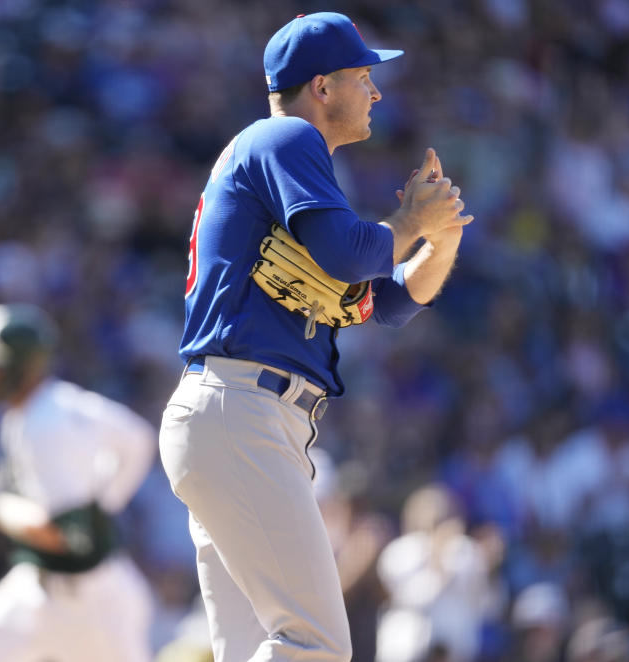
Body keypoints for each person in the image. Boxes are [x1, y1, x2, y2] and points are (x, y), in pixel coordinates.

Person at [159, 12, 473, 662]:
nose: (376, 91)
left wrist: (439, 239)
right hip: (240, 410)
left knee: (256, 646)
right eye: (363, 76)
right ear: (322, 87)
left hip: (237, 417)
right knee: (316, 645)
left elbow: (384, 302)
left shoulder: (294, 168)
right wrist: (410, 218)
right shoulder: (284, 139)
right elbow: (347, 253)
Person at [0, 303, 156, 662]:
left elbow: (59, 535)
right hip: (39, 587)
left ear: (20, 366)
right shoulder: (54, 402)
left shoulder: (45, 423)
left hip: (90, 602)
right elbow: (138, 438)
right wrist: (105, 500)